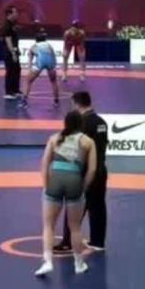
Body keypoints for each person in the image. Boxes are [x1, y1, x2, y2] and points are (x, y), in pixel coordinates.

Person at [36, 110, 97, 277]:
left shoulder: (54, 138)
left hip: (55, 180)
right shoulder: (88, 141)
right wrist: (83, 187)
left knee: (48, 225)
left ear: (65, 123)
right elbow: (92, 170)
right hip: (74, 181)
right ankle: (79, 264)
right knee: (75, 227)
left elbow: (44, 164)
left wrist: (46, 186)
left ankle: (47, 262)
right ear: (81, 124)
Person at [54, 91, 108, 254]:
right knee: (98, 206)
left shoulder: (80, 123)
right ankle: (98, 241)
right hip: (100, 169)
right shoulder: (102, 122)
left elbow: (76, 149)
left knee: (74, 206)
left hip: (84, 171)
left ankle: (67, 242)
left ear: (77, 104)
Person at [20, 31, 60, 107]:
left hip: (40, 62)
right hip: (51, 63)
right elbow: (53, 56)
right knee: (54, 81)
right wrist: (54, 66)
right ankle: (56, 101)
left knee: (28, 81)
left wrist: (30, 70)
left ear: (36, 40)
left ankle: (24, 101)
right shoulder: (49, 45)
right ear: (45, 39)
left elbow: (30, 59)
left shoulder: (34, 46)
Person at [0, 7, 21, 100]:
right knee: (10, 71)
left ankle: (15, 90)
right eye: (15, 12)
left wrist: (17, 51)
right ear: (9, 14)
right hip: (9, 52)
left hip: (15, 50)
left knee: (17, 70)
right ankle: (8, 92)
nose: (17, 14)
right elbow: (8, 40)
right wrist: (13, 53)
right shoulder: (6, 25)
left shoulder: (13, 24)